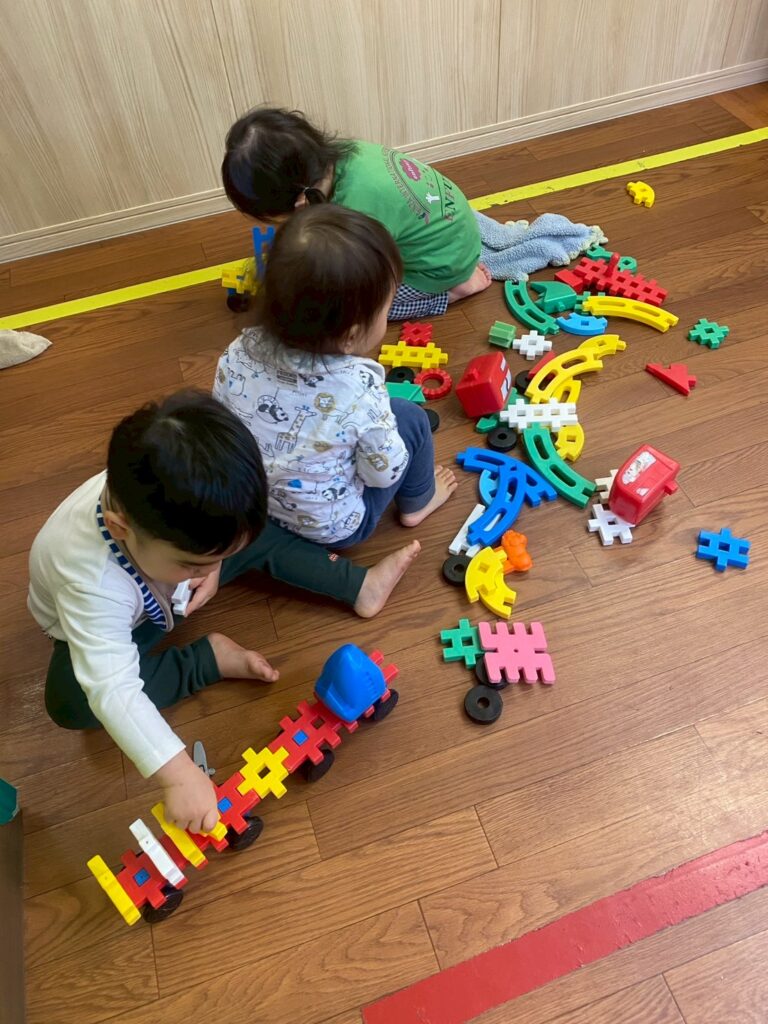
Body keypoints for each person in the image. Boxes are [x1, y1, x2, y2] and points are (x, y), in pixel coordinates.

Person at [27, 391, 418, 834]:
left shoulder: (171, 502)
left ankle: (357, 585)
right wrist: (177, 775)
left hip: (165, 580)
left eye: (217, 560)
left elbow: (216, 542)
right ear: (121, 530)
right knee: (72, 702)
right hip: (114, 622)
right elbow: (113, 686)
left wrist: (209, 565)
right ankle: (205, 660)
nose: (213, 569)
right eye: (196, 563)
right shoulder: (91, 585)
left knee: (250, 535)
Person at [213, 204, 457, 548]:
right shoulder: (359, 387)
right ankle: (419, 502)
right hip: (332, 527)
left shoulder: (238, 350)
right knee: (411, 417)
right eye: (386, 309)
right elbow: (383, 473)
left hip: (251, 506)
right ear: (350, 335)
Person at [221, 106, 492, 320]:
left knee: (351, 310)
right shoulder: (350, 153)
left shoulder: (350, 214)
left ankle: (451, 293)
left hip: (441, 267)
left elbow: (362, 277)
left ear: (301, 201)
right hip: (456, 230)